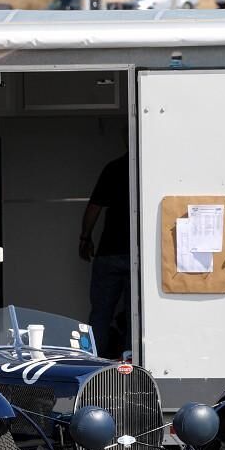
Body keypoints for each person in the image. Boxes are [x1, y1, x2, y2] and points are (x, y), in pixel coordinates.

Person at [79, 153, 130, 358]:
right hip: (138, 254)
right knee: (134, 316)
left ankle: (94, 364)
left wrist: (85, 238)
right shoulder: (151, 165)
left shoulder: (114, 167)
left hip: (109, 252)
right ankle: (132, 365)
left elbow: (94, 208)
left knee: (100, 314)